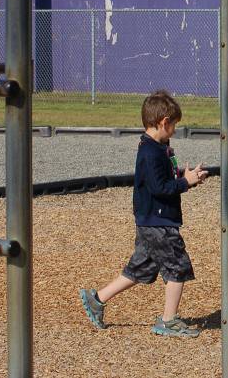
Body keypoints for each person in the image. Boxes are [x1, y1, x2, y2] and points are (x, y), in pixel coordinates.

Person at [78, 90, 209, 337]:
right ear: (163, 123)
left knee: (140, 268)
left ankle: (97, 299)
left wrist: (184, 176)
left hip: (152, 220)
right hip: (158, 222)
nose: (175, 130)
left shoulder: (159, 148)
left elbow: (162, 180)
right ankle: (168, 320)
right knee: (178, 266)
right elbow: (159, 188)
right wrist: (185, 183)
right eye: (174, 125)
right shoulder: (150, 153)